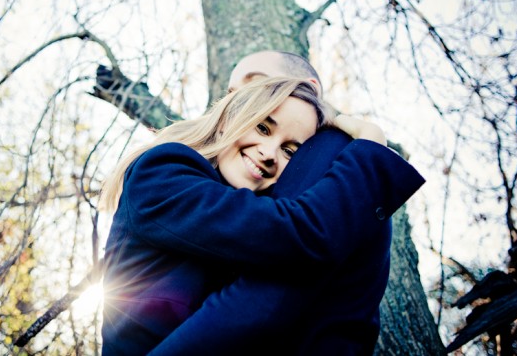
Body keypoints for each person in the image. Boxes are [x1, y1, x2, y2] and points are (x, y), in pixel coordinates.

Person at [100, 55, 424, 355]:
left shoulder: (291, 177)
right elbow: (293, 233)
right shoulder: (161, 171)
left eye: (291, 151)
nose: (269, 153)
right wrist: (369, 145)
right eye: (262, 126)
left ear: (309, 90)